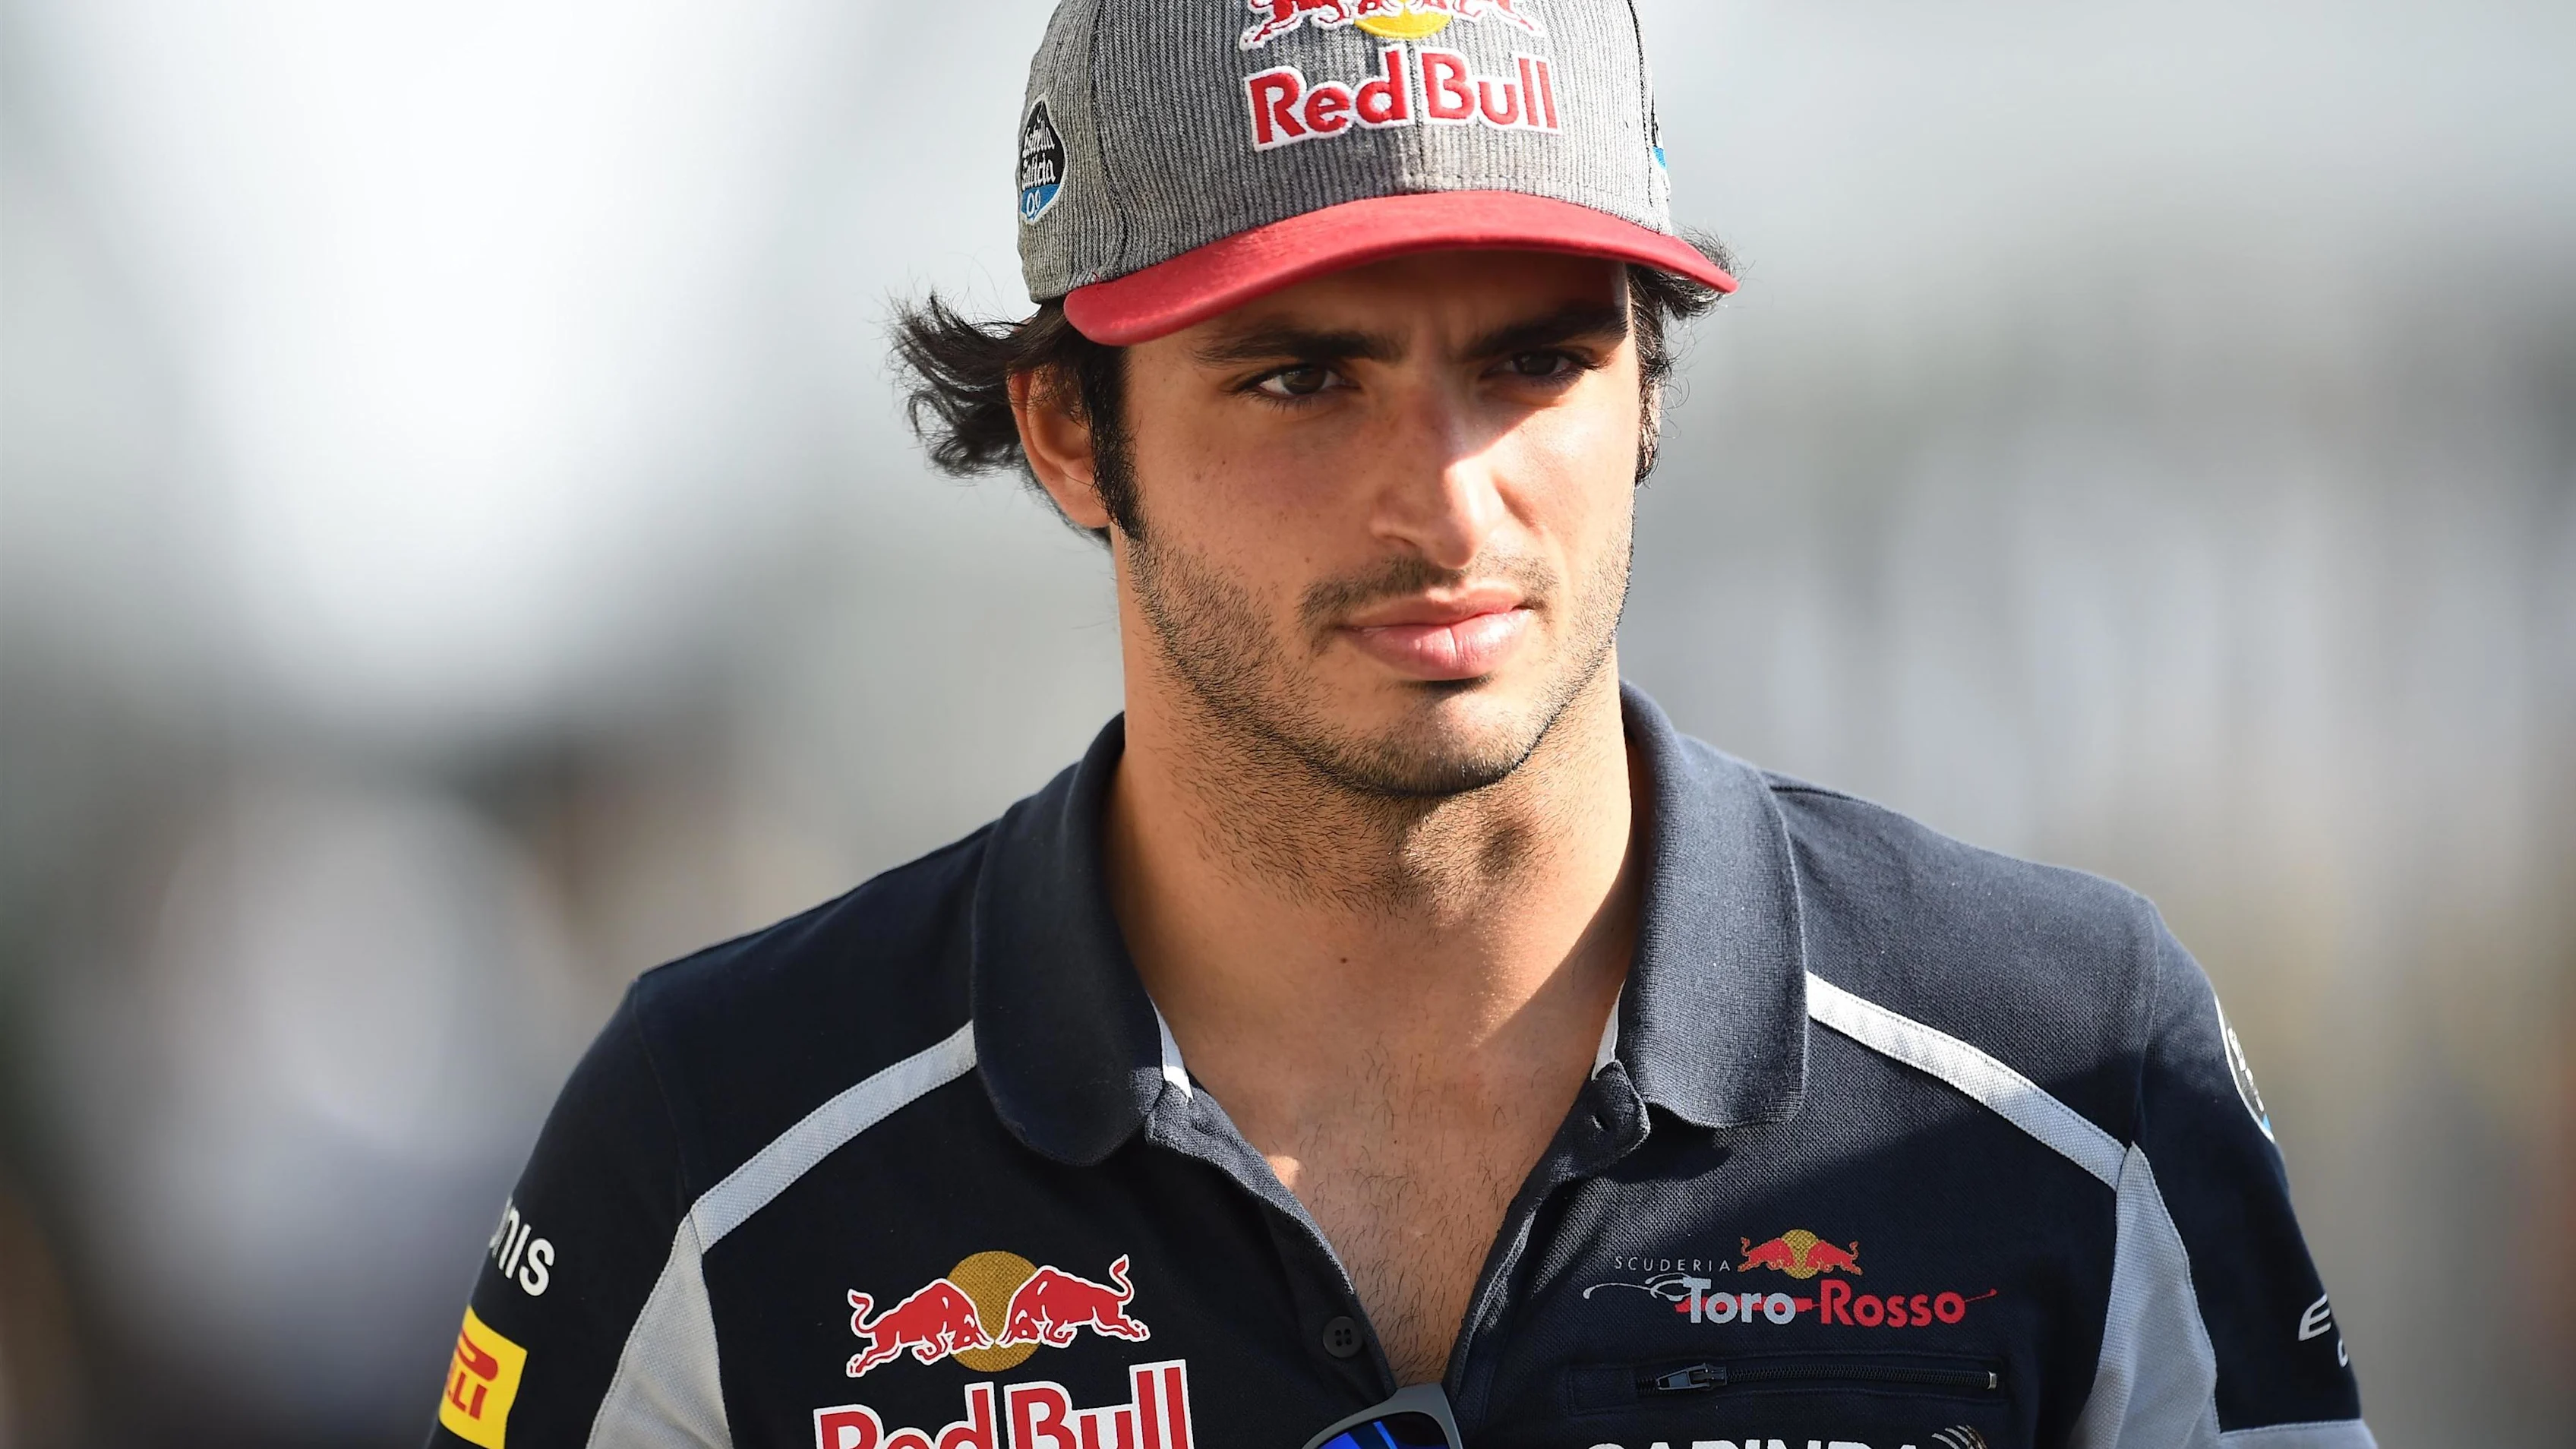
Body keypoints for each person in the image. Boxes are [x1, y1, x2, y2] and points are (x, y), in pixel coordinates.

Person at [428, 4, 2372, 1447]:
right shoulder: (727, 1141)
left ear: (1647, 397)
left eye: (1534, 359)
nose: (1445, 501)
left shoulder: (2074, 1070)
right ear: (1064, 430)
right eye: (1300, 378)